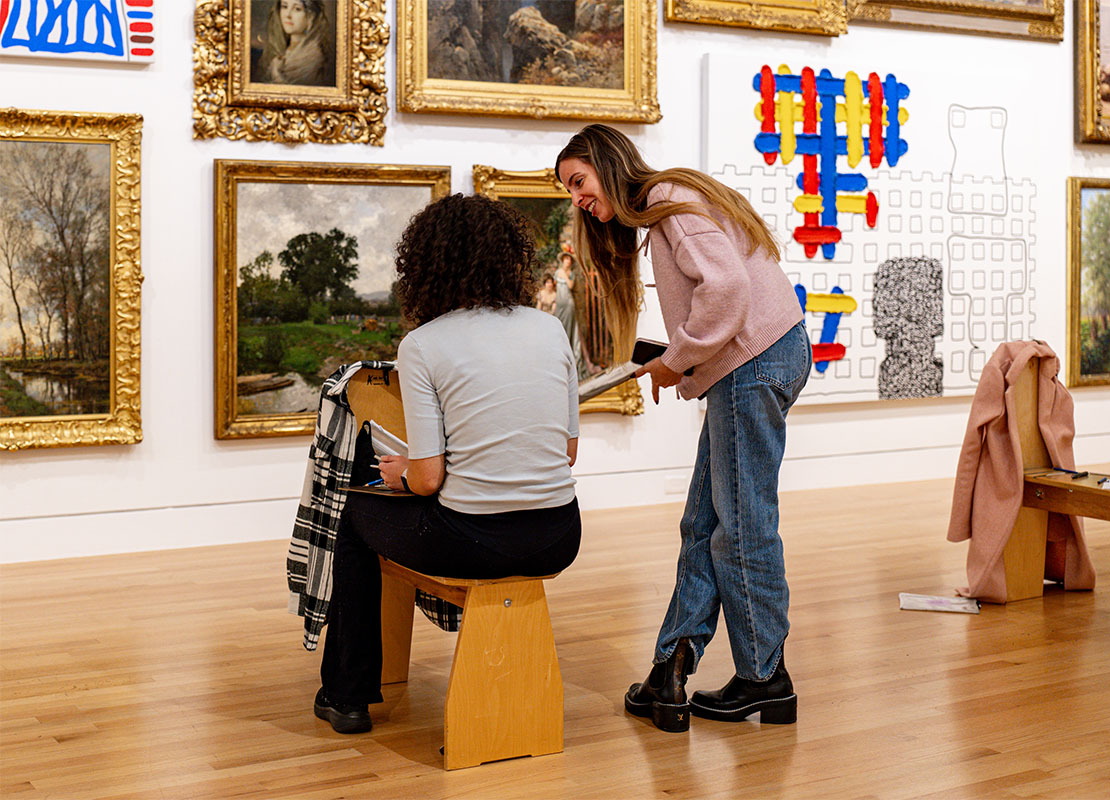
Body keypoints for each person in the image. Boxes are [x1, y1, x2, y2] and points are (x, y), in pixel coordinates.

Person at [555, 124, 811, 733]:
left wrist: (678, 358)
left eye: (579, 182)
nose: (577, 199)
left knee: (742, 525)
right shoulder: (665, 207)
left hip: (752, 363)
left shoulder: (669, 199)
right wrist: (682, 354)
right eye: (569, 190)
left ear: (606, 163)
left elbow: (727, 288)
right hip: (753, 362)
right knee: (704, 521)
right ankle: (670, 667)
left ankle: (765, 676)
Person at [311, 194, 582, 734]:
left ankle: (347, 695)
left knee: (356, 517)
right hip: (559, 534)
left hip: (471, 540)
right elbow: (567, 453)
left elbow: (428, 479)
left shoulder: (423, 344)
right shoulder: (549, 328)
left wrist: (401, 472)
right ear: (509, 258)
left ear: (427, 265)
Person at [254, 0, 335, 87]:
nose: (288, 15)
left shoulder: (313, 58)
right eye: (284, 7)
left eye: (297, 9)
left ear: (311, 16)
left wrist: (276, 75)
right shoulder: (279, 53)